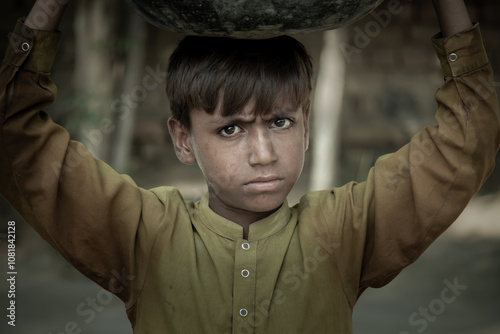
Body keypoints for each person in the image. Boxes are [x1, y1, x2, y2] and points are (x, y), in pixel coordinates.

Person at [1, 0, 499, 333]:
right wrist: (48, 6)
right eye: (231, 129)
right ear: (183, 140)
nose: (263, 153)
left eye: (280, 122)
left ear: (307, 125)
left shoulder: (343, 230)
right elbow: (15, 138)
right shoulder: (142, 233)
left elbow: (468, 139)